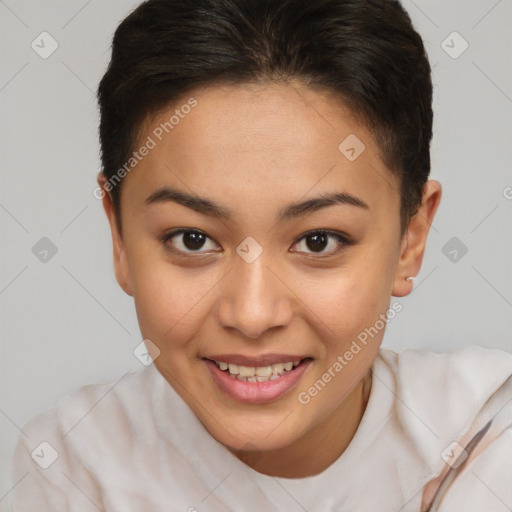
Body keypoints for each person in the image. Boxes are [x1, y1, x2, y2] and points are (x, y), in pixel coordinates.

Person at [11, 0, 512, 510]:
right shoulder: (72, 466)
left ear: (412, 237)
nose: (252, 315)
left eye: (319, 240)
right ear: (119, 235)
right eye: (192, 239)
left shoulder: (484, 435)